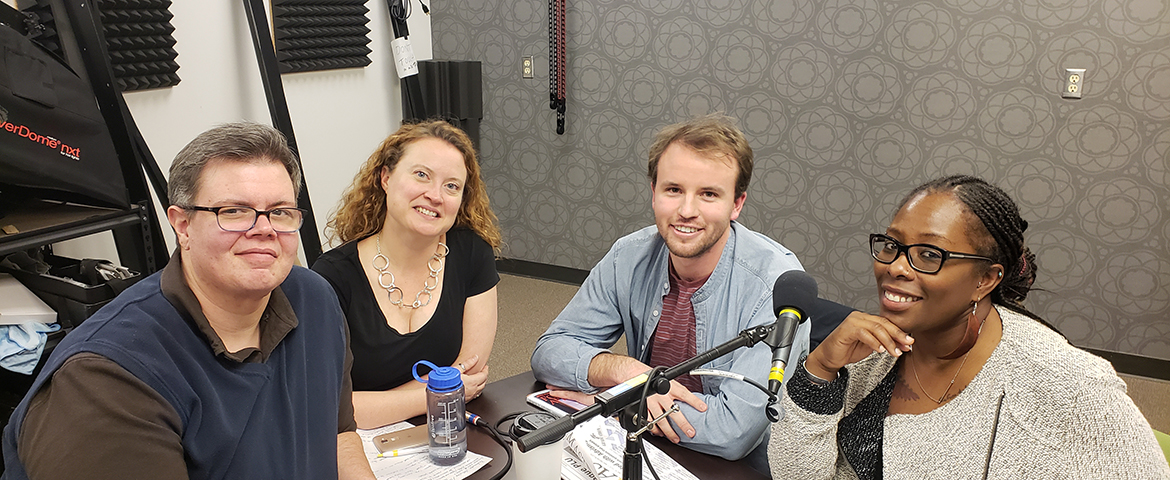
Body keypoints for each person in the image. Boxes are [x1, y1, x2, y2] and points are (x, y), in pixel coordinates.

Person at [1, 122, 375, 479]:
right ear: (182, 225)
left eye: (279, 212)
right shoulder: (104, 380)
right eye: (234, 211)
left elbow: (338, 435)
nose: (263, 229)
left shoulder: (315, 300)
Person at [768, 175, 1170, 479]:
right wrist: (819, 371)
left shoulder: (1071, 384)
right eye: (892, 245)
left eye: (929, 254)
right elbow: (797, 475)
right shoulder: (872, 352)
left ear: (986, 279)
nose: (896, 267)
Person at [530, 114, 811, 474]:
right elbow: (550, 351)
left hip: (736, 468)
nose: (687, 211)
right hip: (646, 445)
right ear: (654, 192)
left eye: (708, 194)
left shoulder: (775, 284)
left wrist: (615, 404)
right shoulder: (628, 256)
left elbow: (733, 432)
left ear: (737, 204)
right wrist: (627, 371)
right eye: (673, 190)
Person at [312, 119, 501, 428]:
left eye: (451, 185)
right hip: (358, 444)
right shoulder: (332, 277)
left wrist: (372, 402)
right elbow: (329, 407)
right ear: (386, 177)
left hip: (451, 429)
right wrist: (436, 390)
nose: (436, 195)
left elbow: (471, 377)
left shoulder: (472, 254)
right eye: (421, 175)